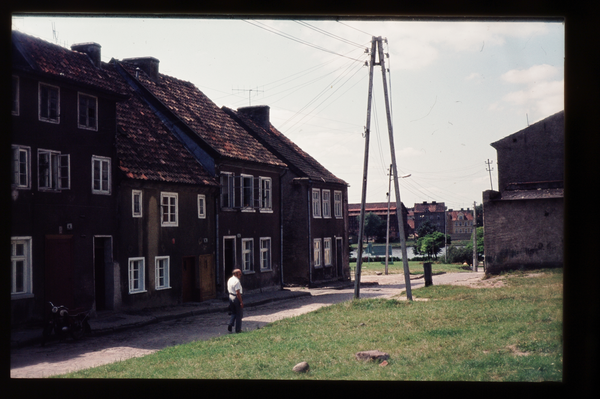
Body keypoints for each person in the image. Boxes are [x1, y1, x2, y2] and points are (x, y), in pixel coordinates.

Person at [227, 269, 244, 333]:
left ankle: (230, 324)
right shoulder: (236, 281)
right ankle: (238, 329)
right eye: (240, 274)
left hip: (230, 296)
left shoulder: (230, 279)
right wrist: (241, 302)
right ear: (236, 274)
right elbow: (237, 292)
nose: (240, 275)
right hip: (236, 297)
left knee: (233, 312)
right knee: (239, 314)